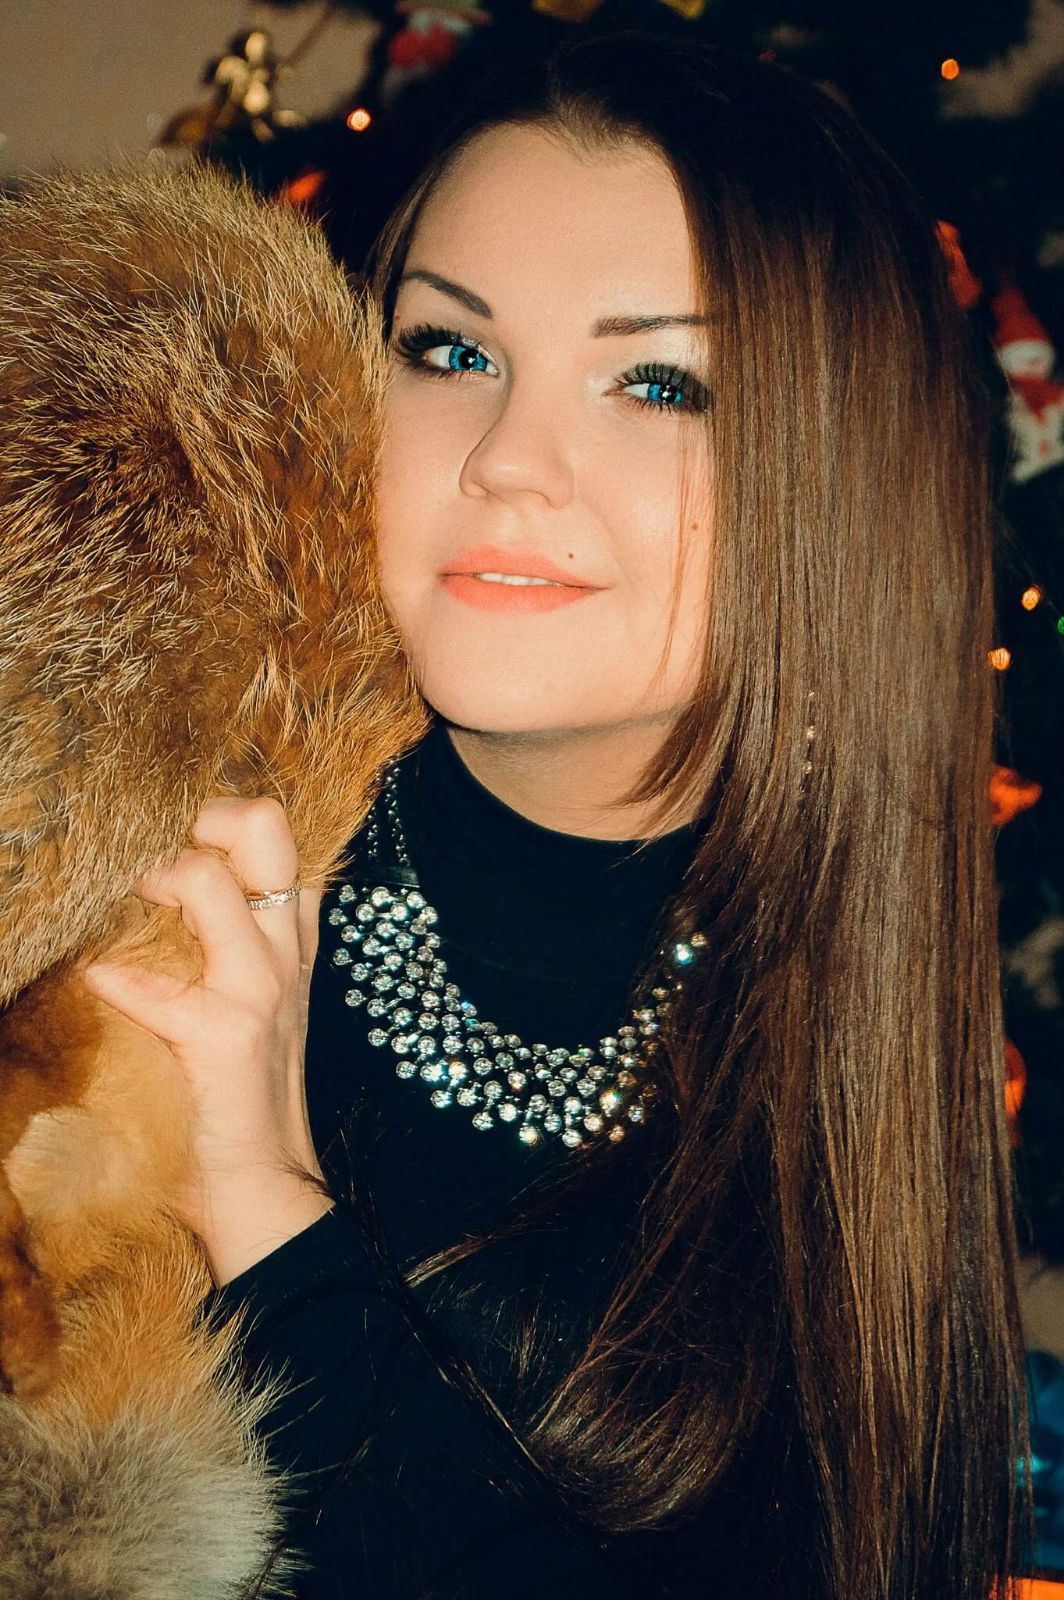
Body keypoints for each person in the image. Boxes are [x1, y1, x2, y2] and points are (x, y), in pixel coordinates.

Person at [83, 33, 1029, 1599]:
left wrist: (262, 1213)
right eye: (449, 351)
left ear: (843, 485)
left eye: (658, 383)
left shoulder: (855, 1090)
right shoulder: (120, 831)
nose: (510, 461)